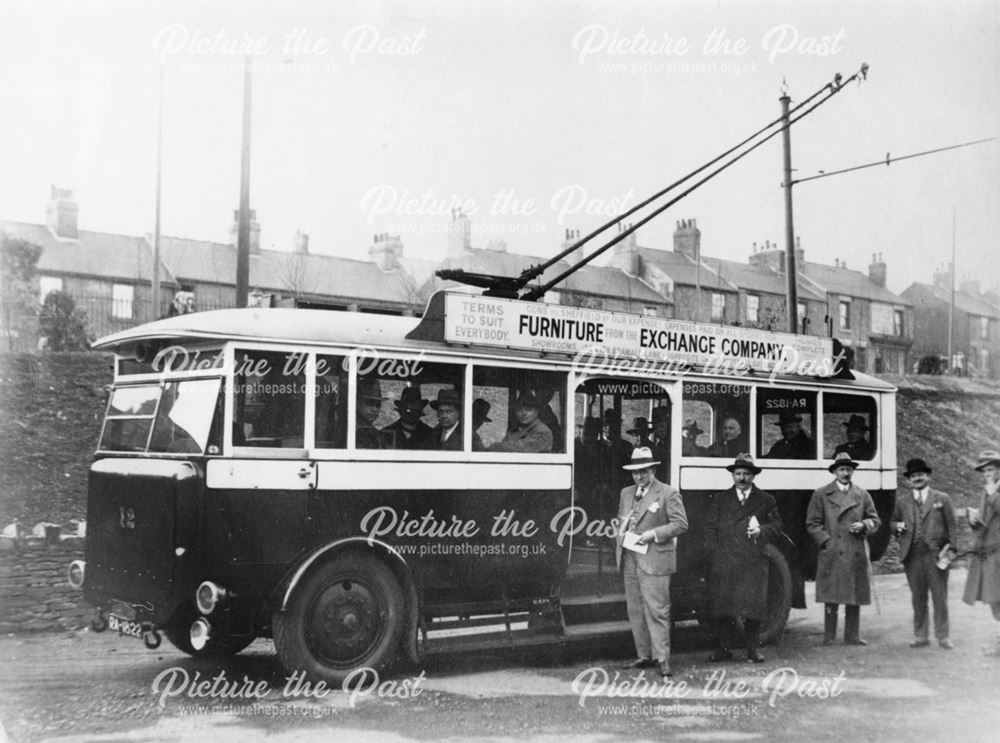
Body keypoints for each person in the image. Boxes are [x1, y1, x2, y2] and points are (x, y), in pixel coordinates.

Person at [615, 447, 688, 677]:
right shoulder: (626, 493)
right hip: (630, 557)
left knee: (657, 610)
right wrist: (623, 530)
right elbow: (621, 520)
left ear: (653, 470)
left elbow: (680, 524)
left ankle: (663, 659)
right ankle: (644, 655)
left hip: (655, 557)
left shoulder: (668, 493)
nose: (639, 476)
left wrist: (653, 534)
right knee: (635, 608)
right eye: (635, 472)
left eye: (644, 472)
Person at [705, 454, 783, 663]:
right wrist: (714, 554)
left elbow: (777, 527)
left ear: (753, 476)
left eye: (746, 474)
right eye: (738, 473)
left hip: (752, 559)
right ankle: (723, 648)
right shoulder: (721, 499)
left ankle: (752, 649)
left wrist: (762, 530)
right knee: (724, 606)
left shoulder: (766, 500)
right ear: (732, 475)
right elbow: (710, 528)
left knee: (753, 607)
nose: (742, 478)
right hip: (726, 559)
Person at [806, 451, 881, 645]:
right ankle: (829, 636)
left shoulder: (862, 495)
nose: (845, 473)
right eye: (842, 469)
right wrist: (826, 542)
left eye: (849, 469)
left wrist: (864, 524)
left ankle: (852, 635)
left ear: (853, 471)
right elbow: (812, 524)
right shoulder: (821, 494)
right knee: (832, 595)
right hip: (833, 550)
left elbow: (875, 520)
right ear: (835, 472)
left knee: (853, 594)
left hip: (854, 550)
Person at [891, 457, 956, 649]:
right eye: (913, 476)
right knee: (918, 597)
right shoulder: (902, 502)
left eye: (920, 474)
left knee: (939, 596)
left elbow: (952, 525)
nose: (917, 478)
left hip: (936, 555)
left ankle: (943, 636)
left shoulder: (942, 498)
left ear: (928, 476)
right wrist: (898, 528)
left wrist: (952, 550)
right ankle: (920, 635)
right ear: (908, 480)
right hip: (912, 556)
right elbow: (893, 523)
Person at [963, 450, 1000, 655]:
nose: (987, 474)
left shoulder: (993, 491)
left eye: (991, 469)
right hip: (988, 551)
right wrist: (974, 521)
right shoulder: (986, 491)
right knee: (994, 599)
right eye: (984, 470)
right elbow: (986, 522)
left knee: (998, 599)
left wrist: (993, 494)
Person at [356, 377, 386, 449]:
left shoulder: (373, 431)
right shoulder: (353, 429)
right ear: (357, 403)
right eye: (370, 403)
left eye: (378, 405)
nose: (375, 409)